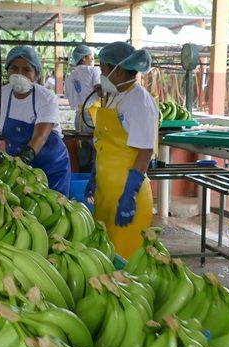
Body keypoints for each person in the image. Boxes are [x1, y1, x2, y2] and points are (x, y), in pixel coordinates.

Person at [87, 41, 158, 259]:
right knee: (103, 254)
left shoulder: (139, 101)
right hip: (107, 192)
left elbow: (145, 151)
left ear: (116, 69)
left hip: (126, 195)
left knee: (123, 260)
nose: (101, 74)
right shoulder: (117, 94)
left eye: (103, 68)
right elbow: (106, 141)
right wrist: (95, 175)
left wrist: (130, 194)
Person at [0, 46, 72, 196]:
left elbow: (41, 136)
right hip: (16, 165)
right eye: (14, 68)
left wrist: (21, 162)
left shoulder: (46, 98)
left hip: (50, 165)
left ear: (36, 74)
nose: (19, 74)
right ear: (7, 71)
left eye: (26, 70)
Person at [64, 44, 101, 171]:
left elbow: (69, 98)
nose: (92, 58)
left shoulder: (70, 77)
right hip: (92, 117)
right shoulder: (93, 70)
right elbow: (99, 89)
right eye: (91, 56)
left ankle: (84, 183)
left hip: (79, 118)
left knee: (84, 155)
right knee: (98, 151)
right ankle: (96, 185)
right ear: (84, 57)